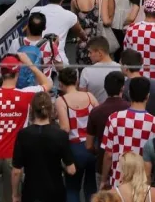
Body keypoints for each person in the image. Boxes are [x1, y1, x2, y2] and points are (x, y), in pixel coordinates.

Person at [0, 55, 52, 202]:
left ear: (1, 72)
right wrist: (29, 63)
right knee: (12, 197)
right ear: (17, 73)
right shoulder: (26, 94)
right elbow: (47, 83)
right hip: (14, 155)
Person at [100, 76, 155, 187]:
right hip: (142, 183)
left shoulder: (114, 118)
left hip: (118, 180)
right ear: (147, 96)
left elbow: (108, 154)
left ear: (129, 94)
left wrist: (103, 180)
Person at [12, 91, 76, 202]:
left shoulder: (23, 134)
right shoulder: (60, 135)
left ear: (32, 109)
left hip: (31, 191)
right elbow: (71, 170)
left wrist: (15, 194)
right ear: (51, 110)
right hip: (55, 191)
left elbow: (16, 171)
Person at [56, 67, 98, 202]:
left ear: (60, 83)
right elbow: (98, 117)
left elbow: (65, 129)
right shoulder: (89, 96)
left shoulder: (62, 101)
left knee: (72, 188)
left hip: (74, 148)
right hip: (92, 146)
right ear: (77, 81)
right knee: (91, 186)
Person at [85, 71, 130, 182]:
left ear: (105, 88)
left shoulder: (96, 112)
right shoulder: (130, 109)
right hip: (127, 165)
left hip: (102, 164)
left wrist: (98, 151)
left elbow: (88, 145)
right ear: (122, 88)